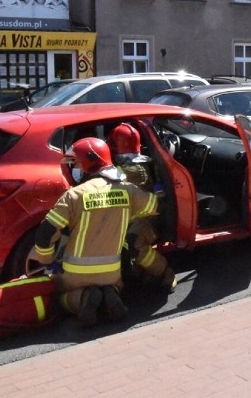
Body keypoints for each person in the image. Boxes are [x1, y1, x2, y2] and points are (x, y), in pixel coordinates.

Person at [30, 137, 159, 326]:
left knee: (59, 297)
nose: (75, 168)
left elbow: (45, 233)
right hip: (112, 272)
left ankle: (83, 298)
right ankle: (110, 294)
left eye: (77, 163)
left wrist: (47, 260)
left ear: (89, 162)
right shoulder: (128, 191)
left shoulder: (74, 196)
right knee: (110, 285)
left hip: (75, 274)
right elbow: (154, 207)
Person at [107, 123, 177, 292]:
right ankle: (136, 274)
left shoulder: (132, 170)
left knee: (133, 242)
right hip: (130, 217)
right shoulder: (136, 165)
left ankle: (166, 274)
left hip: (148, 219)